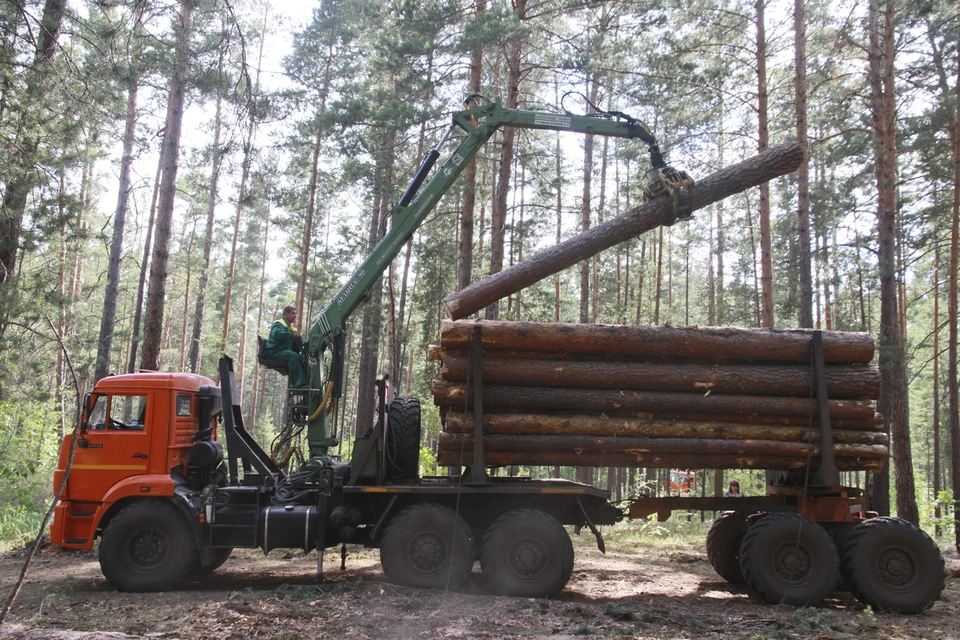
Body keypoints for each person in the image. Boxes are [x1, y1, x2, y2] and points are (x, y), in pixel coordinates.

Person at [265, 305, 308, 388]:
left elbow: (295, 345)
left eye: (296, 314)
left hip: (283, 352)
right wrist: (291, 335)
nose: (295, 316)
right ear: (285, 314)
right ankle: (298, 384)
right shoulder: (278, 325)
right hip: (274, 352)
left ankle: (304, 382)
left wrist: (303, 343)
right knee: (293, 356)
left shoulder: (290, 328)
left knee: (303, 358)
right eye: (292, 313)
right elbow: (277, 334)